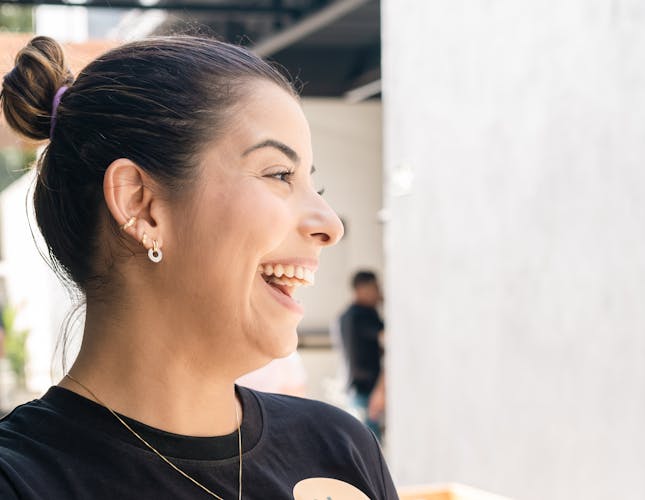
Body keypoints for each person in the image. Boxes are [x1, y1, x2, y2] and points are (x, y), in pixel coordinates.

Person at [0, 36, 398, 499]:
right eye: (280, 175)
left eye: (316, 186)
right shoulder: (22, 482)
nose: (330, 225)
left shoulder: (339, 450)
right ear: (141, 205)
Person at [338, 271, 386, 441]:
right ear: (362, 289)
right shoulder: (363, 314)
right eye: (376, 288)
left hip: (354, 392)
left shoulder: (344, 316)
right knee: (372, 450)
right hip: (368, 394)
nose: (379, 292)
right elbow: (389, 339)